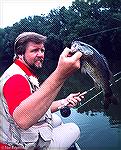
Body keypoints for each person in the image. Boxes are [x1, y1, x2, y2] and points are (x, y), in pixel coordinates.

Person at [0, 32, 84, 150]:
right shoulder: (16, 79)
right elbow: (23, 120)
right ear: (20, 53)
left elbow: (35, 107)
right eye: (34, 50)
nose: (40, 55)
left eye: (42, 50)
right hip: (17, 145)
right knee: (74, 128)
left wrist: (64, 102)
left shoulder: (21, 72)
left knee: (57, 120)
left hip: (15, 134)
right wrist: (60, 74)